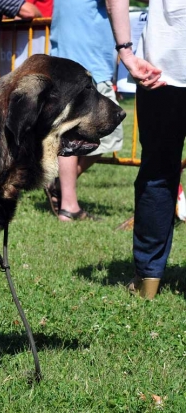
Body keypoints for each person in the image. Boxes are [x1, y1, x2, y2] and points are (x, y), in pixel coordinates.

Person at [105, 0, 186, 298]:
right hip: (161, 69)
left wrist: (125, 50)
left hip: (164, 62)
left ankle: (148, 282)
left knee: (158, 170)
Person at [45, 0, 123, 221]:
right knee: (107, 135)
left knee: (71, 134)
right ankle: (68, 204)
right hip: (90, 66)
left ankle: (62, 189)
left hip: (65, 65)